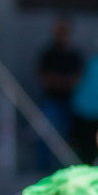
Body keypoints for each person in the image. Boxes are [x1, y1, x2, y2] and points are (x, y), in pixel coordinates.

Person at [36, 20, 84, 169]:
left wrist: (62, 81)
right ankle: (44, 168)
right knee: (48, 136)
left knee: (67, 138)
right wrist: (62, 81)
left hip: (70, 102)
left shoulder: (74, 54)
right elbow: (45, 78)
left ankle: (61, 168)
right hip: (51, 101)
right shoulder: (48, 54)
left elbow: (77, 78)